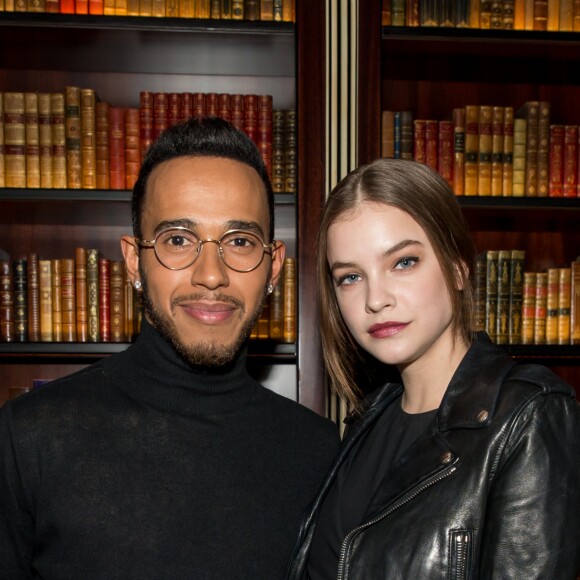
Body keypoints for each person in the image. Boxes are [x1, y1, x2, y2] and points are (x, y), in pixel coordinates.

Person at [0, 117, 340, 579]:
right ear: (134, 260)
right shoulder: (27, 438)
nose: (211, 274)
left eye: (239, 241)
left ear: (274, 266)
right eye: (177, 240)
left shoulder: (320, 451)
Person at [286, 157, 580, 579]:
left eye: (403, 262)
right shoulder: (366, 422)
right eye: (350, 277)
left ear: (458, 267)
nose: (376, 298)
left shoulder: (530, 416)